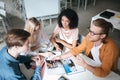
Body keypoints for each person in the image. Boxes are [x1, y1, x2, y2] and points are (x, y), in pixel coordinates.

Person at [53, 19, 119, 77]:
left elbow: (104, 72)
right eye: (90, 30)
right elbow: (77, 49)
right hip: (92, 64)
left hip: (106, 73)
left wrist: (85, 65)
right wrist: (61, 57)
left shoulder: (111, 48)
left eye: (93, 33)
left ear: (102, 36)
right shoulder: (90, 37)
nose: (89, 34)